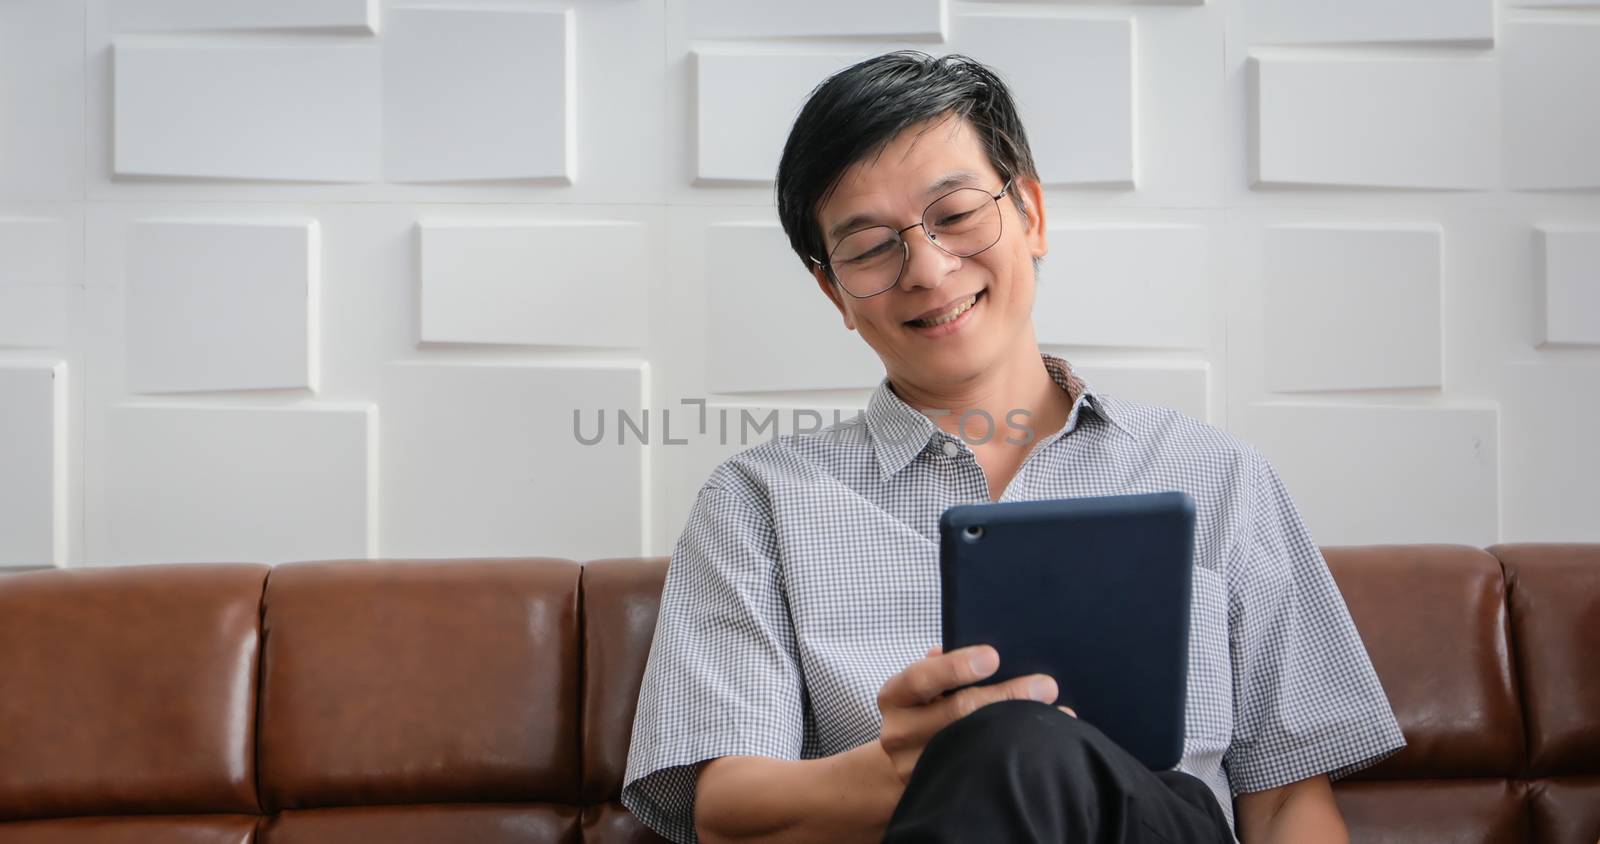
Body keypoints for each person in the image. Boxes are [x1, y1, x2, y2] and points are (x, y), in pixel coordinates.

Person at [621, 51, 1406, 843]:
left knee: (1017, 745)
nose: (928, 268)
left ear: (1030, 213)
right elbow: (724, 813)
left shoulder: (1218, 475)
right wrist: (897, 768)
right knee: (1000, 749)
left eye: (956, 215)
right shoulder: (759, 497)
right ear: (836, 294)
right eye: (868, 248)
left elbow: (1285, 806)